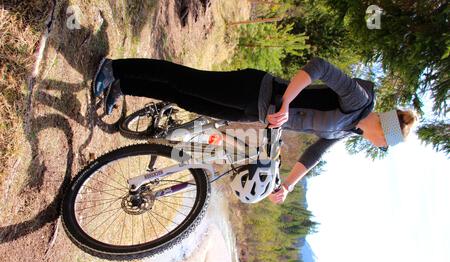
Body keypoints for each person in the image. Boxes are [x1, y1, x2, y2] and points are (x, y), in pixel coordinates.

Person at [93, 57, 417, 204]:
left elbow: (314, 153)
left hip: (254, 113)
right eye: (385, 142)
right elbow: (319, 67)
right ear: (386, 130)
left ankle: (124, 86)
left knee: (184, 98)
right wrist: (287, 102)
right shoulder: (358, 101)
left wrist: (287, 186)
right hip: (256, 90)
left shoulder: (351, 129)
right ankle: (115, 68)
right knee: (185, 80)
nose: (380, 146)